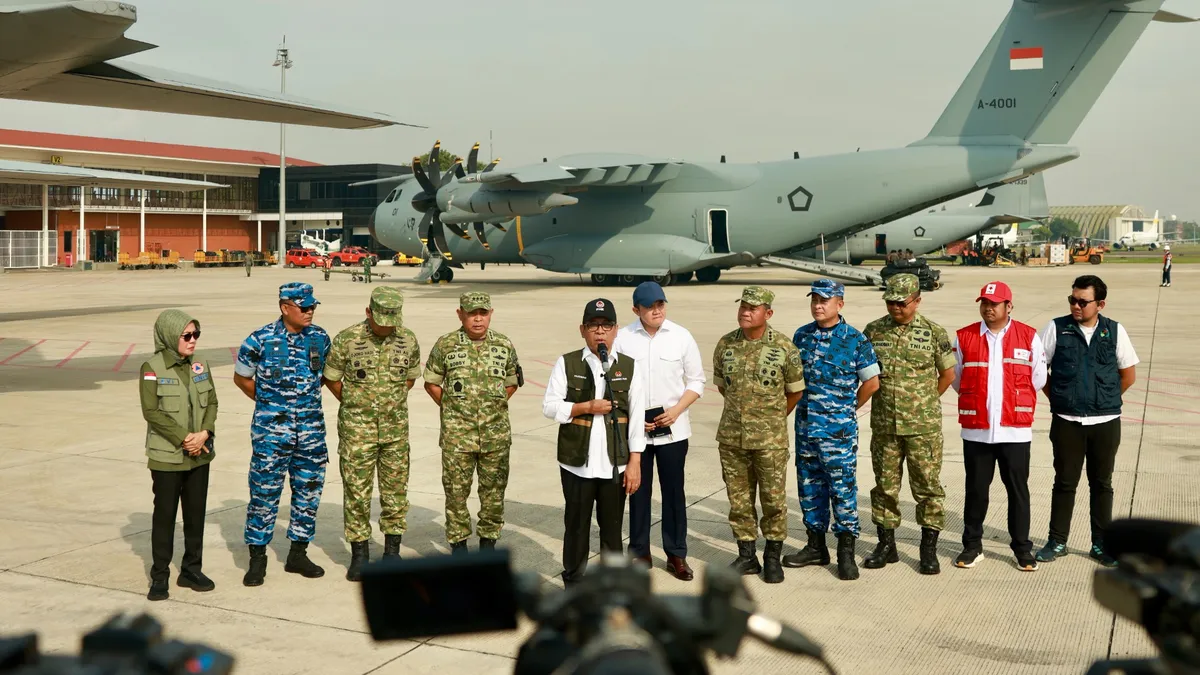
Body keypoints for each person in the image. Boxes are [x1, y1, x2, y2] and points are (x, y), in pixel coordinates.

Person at [233, 282, 332, 586]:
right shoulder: (258, 340)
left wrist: (302, 405)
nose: (310, 311)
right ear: (284, 307)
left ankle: (297, 554)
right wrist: (271, 405)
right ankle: (257, 557)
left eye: (312, 306)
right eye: (304, 307)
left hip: (311, 431)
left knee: (308, 491)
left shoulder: (320, 339)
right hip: (271, 434)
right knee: (264, 493)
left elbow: (324, 378)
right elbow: (242, 379)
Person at [1035, 275, 1138, 567]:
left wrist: (1104, 399)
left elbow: (1128, 375)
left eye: (1083, 301)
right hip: (1067, 421)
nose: (1075, 306)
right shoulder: (1057, 328)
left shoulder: (1115, 331)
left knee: (1101, 483)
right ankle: (1057, 541)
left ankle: (1101, 544)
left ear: (1100, 303)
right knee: (1065, 482)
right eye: (1072, 299)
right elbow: (1040, 371)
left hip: (1106, 422)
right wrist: (1059, 398)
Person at [542, 298, 646, 587]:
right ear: (582, 329)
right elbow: (550, 406)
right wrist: (583, 407)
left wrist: (635, 462)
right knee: (576, 526)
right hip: (577, 463)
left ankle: (612, 586)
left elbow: (636, 418)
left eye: (606, 326)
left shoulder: (629, 367)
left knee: (612, 530)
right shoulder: (567, 362)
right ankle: (574, 582)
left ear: (616, 330)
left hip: (615, 464)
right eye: (593, 326)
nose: (599, 332)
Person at [782, 279, 879, 581]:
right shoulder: (802, 336)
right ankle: (815, 547)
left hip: (838, 432)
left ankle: (845, 553)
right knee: (810, 488)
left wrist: (848, 409)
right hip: (806, 429)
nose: (818, 305)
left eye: (825, 300)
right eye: (814, 300)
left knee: (842, 490)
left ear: (840, 303)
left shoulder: (855, 340)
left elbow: (872, 382)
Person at [323, 286, 420, 581]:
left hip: (395, 431)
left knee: (395, 493)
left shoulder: (407, 339)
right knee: (357, 493)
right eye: (381, 320)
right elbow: (331, 378)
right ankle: (360, 555)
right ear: (368, 312)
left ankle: (392, 553)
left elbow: (410, 379)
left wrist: (387, 405)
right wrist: (357, 404)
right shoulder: (346, 340)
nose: (386, 327)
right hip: (357, 431)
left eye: (392, 320)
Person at [862, 273, 956, 575]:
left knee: (927, 489)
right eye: (890, 302)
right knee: (885, 488)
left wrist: (923, 403)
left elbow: (947, 377)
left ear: (917, 300)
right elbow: (866, 374)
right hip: (885, 426)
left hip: (922, 428)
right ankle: (886, 545)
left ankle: (927, 550)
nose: (894, 307)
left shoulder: (933, 333)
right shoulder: (874, 331)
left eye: (901, 302)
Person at [951, 282, 1047, 572]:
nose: (988, 308)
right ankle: (972, 546)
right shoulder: (964, 336)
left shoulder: (1028, 337)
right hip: (977, 430)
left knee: (1018, 491)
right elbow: (957, 379)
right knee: (976, 490)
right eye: (984, 303)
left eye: (994, 303)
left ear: (1009, 306)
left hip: (1014, 431)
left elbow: (1038, 378)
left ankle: (1022, 549)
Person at [713, 286, 805, 584]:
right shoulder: (726, 344)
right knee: (739, 501)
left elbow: (795, 392)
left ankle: (772, 556)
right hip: (732, 437)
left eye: (753, 308)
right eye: (743, 307)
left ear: (768, 313)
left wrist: (771, 419)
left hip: (770, 441)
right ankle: (747, 555)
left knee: (773, 500)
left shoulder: (784, 348)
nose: (745, 312)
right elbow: (723, 387)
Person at [614, 281, 706, 581]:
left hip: (673, 429)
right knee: (637, 490)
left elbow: (696, 381)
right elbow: (613, 383)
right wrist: (631, 418)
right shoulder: (624, 339)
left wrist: (676, 411)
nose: (657, 311)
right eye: (650, 307)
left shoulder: (681, 337)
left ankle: (676, 553)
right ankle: (639, 551)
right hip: (637, 429)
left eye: (661, 305)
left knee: (673, 493)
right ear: (636, 309)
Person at [424, 291, 520, 555]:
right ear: (460, 314)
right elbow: (431, 382)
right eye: (471, 313)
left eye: (483, 313)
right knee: (456, 494)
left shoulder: (504, 344)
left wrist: (494, 406)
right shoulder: (446, 344)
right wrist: (452, 408)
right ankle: (459, 548)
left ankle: (488, 545)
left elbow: (512, 382)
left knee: (493, 494)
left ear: (490, 314)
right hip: (458, 438)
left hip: (495, 436)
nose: (478, 319)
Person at [139, 310, 217, 601]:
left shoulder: (200, 364)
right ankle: (160, 576)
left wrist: (204, 433)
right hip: (167, 457)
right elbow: (152, 412)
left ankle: (191, 570)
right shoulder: (152, 367)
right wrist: (185, 438)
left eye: (196, 334)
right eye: (187, 336)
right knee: (165, 517)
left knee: (196, 516)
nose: (193, 341)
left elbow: (212, 402)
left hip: (200, 454)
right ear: (171, 336)